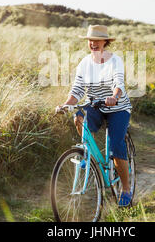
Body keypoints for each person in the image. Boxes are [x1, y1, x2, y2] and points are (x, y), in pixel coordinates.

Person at [55, 25, 133, 207]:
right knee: (78, 117)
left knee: (115, 145)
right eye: (90, 40)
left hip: (117, 108)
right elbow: (77, 89)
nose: (93, 43)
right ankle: (88, 155)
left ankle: (126, 189)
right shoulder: (84, 63)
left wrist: (114, 96)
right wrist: (66, 105)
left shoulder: (115, 61)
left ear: (105, 42)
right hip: (95, 106)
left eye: (97, 40)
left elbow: (119, 82)